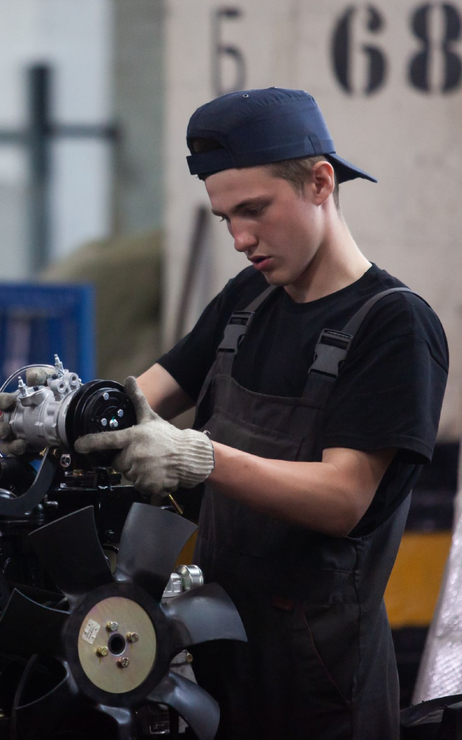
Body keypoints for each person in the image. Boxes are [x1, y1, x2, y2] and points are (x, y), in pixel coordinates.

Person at [70, 87, 449, 739]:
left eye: (255, 210)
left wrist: (201, 455)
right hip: (223, 655)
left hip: (323, 684)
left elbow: (344, 497)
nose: (242, 238)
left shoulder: (392, 325)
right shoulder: (249, 300)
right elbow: (141, 397)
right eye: (226, 219)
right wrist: (66, 414)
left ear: (320, 182)